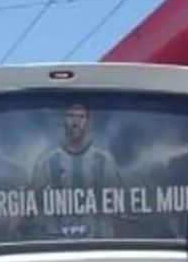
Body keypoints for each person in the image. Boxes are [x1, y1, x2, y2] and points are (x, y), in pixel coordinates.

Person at [29, 103, 125, 240]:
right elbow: (31, 206)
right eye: (70, 116)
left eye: (81, 116)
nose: (76, 122)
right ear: (62, 120)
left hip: (102, 249)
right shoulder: (47, 162)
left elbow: (119, 210)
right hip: (54, 250)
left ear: (88, 122)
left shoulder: (105, 161)